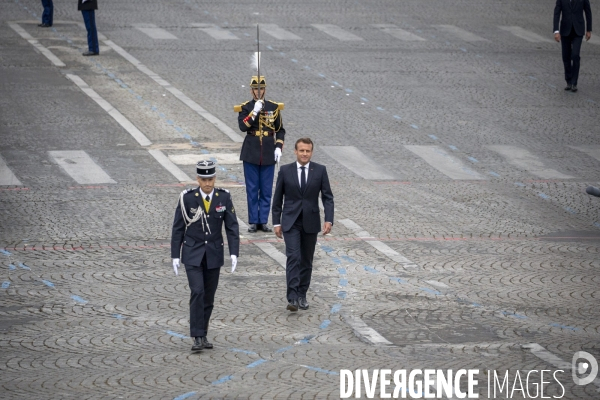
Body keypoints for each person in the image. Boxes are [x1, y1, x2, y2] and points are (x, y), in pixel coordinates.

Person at [171, 160, 240, 351]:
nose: (207, 183)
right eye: (204, 179)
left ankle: (204, 333)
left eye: (210, 179)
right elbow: (178, 228)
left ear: (215, 178)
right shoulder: (187, 198)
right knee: (197, 292)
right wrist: (175, 255)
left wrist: (234, 253)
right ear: (197, 179)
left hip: (213, 254)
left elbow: (232, 227)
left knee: (208, 297)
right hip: (192, 253)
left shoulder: (223, 198)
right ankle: (197, 336)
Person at [272, 138, 334, 312]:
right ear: (295, 151)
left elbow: (327, 197)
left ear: (311, 152)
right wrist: (276, 222)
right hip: (290, 221)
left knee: (306, 260)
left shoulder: (320, 171)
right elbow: (277, 199)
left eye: (307, 151)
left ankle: (302, 295)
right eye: (302, 151)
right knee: (293, 257)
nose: (305, 154)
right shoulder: (285, 171)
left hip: (310, 222)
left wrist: (328, 219)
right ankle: (292, 297)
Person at [234, 75, 285, 233]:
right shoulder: (246, 107)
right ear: (251, 90)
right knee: (252, 188)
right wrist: (254, 111)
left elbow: (280, 130)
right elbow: (243, 127)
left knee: (266, 189)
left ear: (264, 89)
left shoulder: (273, 107)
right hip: (251, 152)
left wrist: (278, 147)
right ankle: (253, 221)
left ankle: (263, 220)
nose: (258, 91)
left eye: (261, 89)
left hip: (268, 151)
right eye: (255, 89)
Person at [553, 0, 593, 92]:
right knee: (566, 57)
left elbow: (588, 11)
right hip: (565, 30)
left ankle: (574, 83)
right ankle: (568, 80)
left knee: (575, 55)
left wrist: (589, 30)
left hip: (578, 31)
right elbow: (557, 13)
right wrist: (556, 31)